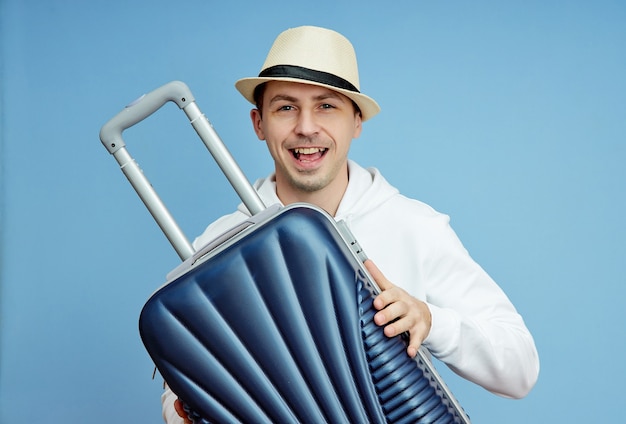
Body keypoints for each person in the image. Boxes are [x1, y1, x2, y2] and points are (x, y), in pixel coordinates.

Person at [161, 25, 540, 423]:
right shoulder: (215, 247)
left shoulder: (414, 227)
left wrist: (430, 321)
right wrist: (179, 413)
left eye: (327, 106)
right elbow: (181, 388)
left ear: (356, 122)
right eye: (286, 107)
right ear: (259, 123)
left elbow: (521, 370)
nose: (306, 127)